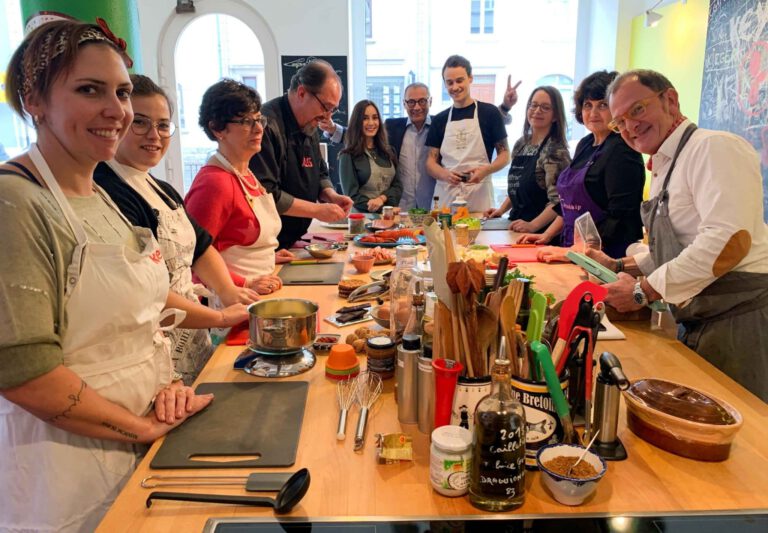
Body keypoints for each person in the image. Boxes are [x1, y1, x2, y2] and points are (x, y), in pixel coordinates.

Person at [0, 20, 213, 531]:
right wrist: (140, 427)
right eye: (88, 90)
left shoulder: (99, 196)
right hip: (69, 467)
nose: (116, 111)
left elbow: (139, 316)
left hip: (142, 442)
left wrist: (168, 393)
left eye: (120, 92)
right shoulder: (15, 203)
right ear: (33, 99)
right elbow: (26, 375)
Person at [588, 69, 768, 401]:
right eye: (620, 122)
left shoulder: (713, 148)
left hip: (739, 320)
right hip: (702, 318)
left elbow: (729, 242)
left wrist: (643, 291)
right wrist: (618, 265)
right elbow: (675, 245)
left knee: (746, 438)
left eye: (637, 110)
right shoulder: (666, 162)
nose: (629, 126)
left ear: (670, 100)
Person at [94, 74, 257, 384]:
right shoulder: (108, 190)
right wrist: (220, 317)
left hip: (193, 341)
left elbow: (201, 246)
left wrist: (229, 291)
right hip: (154, 360)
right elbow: (148, 291)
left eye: (163, 125)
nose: (154, 135)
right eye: (140, 123)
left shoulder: (161, 188)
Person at [518, 71, 645, 260]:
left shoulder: (622, 150)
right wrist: (547, 235)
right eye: (587, 105)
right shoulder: (585, 144)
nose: (593, 113)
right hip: (574, 248)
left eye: (602, 105)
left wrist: (581, 249)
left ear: (617, 109)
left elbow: (620, 217)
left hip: (607, 256)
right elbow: (567, 204)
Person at [186, 79, 294, 296]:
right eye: (245, 121)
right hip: (234, 302)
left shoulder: (247, 175)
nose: (258, 129)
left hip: (263, 289)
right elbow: (193, 258)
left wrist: (265, 256)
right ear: (217, 129)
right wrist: (244, 282)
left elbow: (234, 242)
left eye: (258, 119)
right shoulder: (214, 183)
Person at [249, 59, 353, 250]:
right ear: (302, 92)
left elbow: (319, 172)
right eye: (325, 107)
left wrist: (330, 195)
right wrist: (317, 210)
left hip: (293, 241)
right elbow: (267, 194)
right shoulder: (265, 127)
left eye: (333, 109)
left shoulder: (309, 122)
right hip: (269, 245)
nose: (328, 117)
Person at [426, 55, 510, 212]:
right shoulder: (439, 119)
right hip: (446, 196)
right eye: (449, 82)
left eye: (459, 80)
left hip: (479, 195)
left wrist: (485, 171)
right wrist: (445, 174)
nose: (455, 87)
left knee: (481, 236)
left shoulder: (490, 113)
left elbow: (505, 155)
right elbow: (430, 163)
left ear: (470, 78)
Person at [485, 86, 571, 238]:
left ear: (556, 116)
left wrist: (533, 225)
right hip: (516, 227)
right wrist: (501, 210)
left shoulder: (555, 151)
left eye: (545, 107)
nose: (537, 111)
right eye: (533, 105)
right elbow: (517, 186)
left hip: (541, 235)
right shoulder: (521, 144)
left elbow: (559, 202)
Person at [339, 99, 402, 213]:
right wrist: (385, 209)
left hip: (389, 219)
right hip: (361, 221)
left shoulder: (389, 152)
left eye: (375, 117)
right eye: (365, 118)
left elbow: (397, 187)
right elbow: (352, 197)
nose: (371, 123)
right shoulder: (348, 156)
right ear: (357, 122)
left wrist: (381, 198)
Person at [385, 82, 435, 211]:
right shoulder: (391, 127)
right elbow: (364, 136)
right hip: (401, 207)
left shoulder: (440, 125)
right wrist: (334, 130)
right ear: (404, 103)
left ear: (430, 101)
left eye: (422, 101)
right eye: (411, 102)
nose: (417, 107)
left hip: (433, 206)